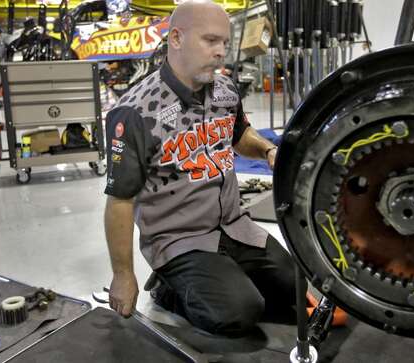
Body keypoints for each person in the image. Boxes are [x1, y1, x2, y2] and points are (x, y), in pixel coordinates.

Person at [103, 0, 296, 337]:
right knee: (239, 312)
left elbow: (240, 136)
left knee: (295, 284)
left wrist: (266, 149)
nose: (221, 51)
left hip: (234, 227)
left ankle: (221, 274)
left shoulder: (225, 91)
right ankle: (167, 288)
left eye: (224, 41)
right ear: (176, 39)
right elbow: (120, 201)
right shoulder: (135, 111)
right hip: (180, 238)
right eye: (210, 41)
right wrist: (123, 274)